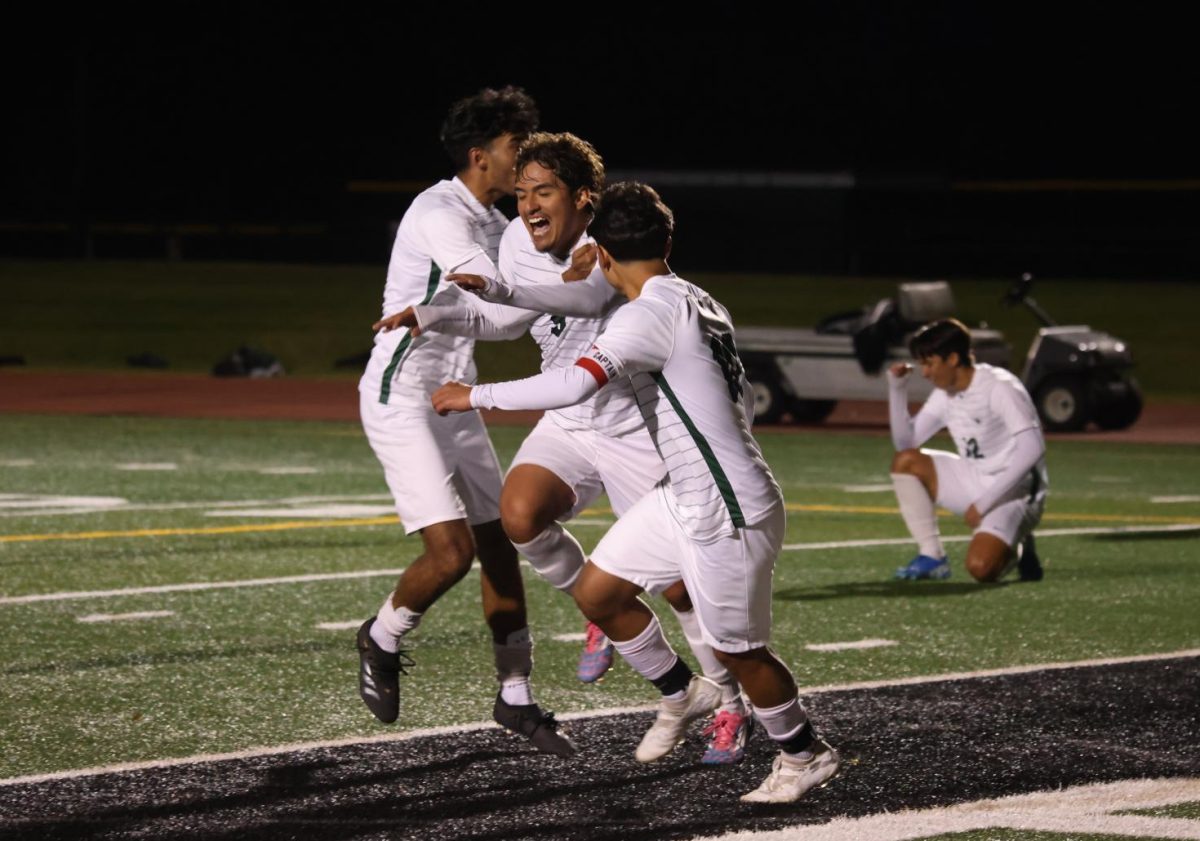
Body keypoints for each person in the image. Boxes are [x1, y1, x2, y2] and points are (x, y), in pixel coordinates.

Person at [431, 182, 840, 803]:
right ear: (667, 240)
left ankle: (803, 754)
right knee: (598, 590)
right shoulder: (695, 297)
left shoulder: (648, 313)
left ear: (602, 249)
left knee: (742, 652)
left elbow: (572, 384)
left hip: (724, 506)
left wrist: (473, 395)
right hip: (687, 493)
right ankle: (683, 693)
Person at [376, 134, 751, 764]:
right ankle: (634, 642)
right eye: (520, 193)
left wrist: (497, 297)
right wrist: (439, 314)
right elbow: (514, 320)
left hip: (635, 425)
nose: (525, 206)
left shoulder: (609, 245)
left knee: (684, 591)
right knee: (519, 514)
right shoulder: (520, 240)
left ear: (583, 198)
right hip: (571, 419)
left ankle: (732, 706)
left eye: (542, 192)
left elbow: (582, 297)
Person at [354, 86, 575, 758]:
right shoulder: (438, 210)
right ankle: (382, 634)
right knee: (450, 552)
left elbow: (506, 316)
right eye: (516, 147)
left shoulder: (505, 223)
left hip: (454, 392)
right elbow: (481, 281)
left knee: (501, 540)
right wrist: (561, 279)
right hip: (403, 391)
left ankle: (515, 695)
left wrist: (568, 276)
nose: (527, 160)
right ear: (480, 155)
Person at [888, 318, 1048, 582]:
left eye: (929, 363)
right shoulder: (945, 392)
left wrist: (985, 503)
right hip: (974, 480)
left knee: (981, 568)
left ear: (952, 359)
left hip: (1015, 491)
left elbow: (1033, 449)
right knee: (906, 461)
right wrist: (897, 389)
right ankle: (932, 556)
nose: (924, 372)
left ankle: (1018, 547)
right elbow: (906, 444)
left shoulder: (999, 387)